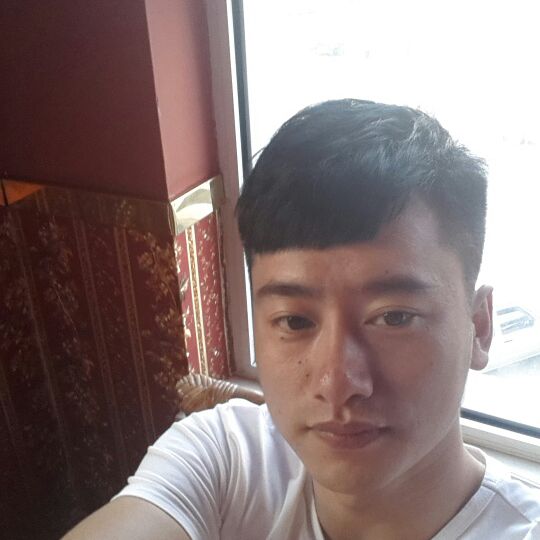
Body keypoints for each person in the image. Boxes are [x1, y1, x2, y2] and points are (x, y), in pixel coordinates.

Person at [64, 100, 540, 539]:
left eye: (394, 317)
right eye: (294, 322)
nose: (337, 383)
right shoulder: (229, 458)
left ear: (479, 328)